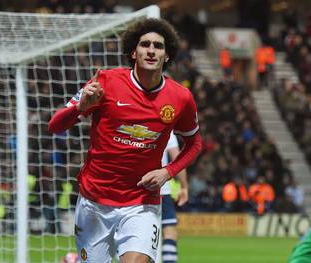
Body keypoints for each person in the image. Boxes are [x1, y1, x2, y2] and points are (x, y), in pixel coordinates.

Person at [48, 18, 202, 263]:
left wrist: (168, 172)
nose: (151, 50)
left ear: (167, 56)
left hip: (141, 202)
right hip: (94, 200)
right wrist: (80, 109)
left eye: (158, 46)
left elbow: (194, 144)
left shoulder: (180, 97)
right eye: (145, 44)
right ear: (134, 52)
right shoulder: (105, 82)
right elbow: (55, 125)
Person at [159, 132, 188, 263]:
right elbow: (178, 160)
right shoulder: (166, 128)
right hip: (160, 190)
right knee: (170, 233)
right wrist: (184, 187)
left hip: (132, 188)